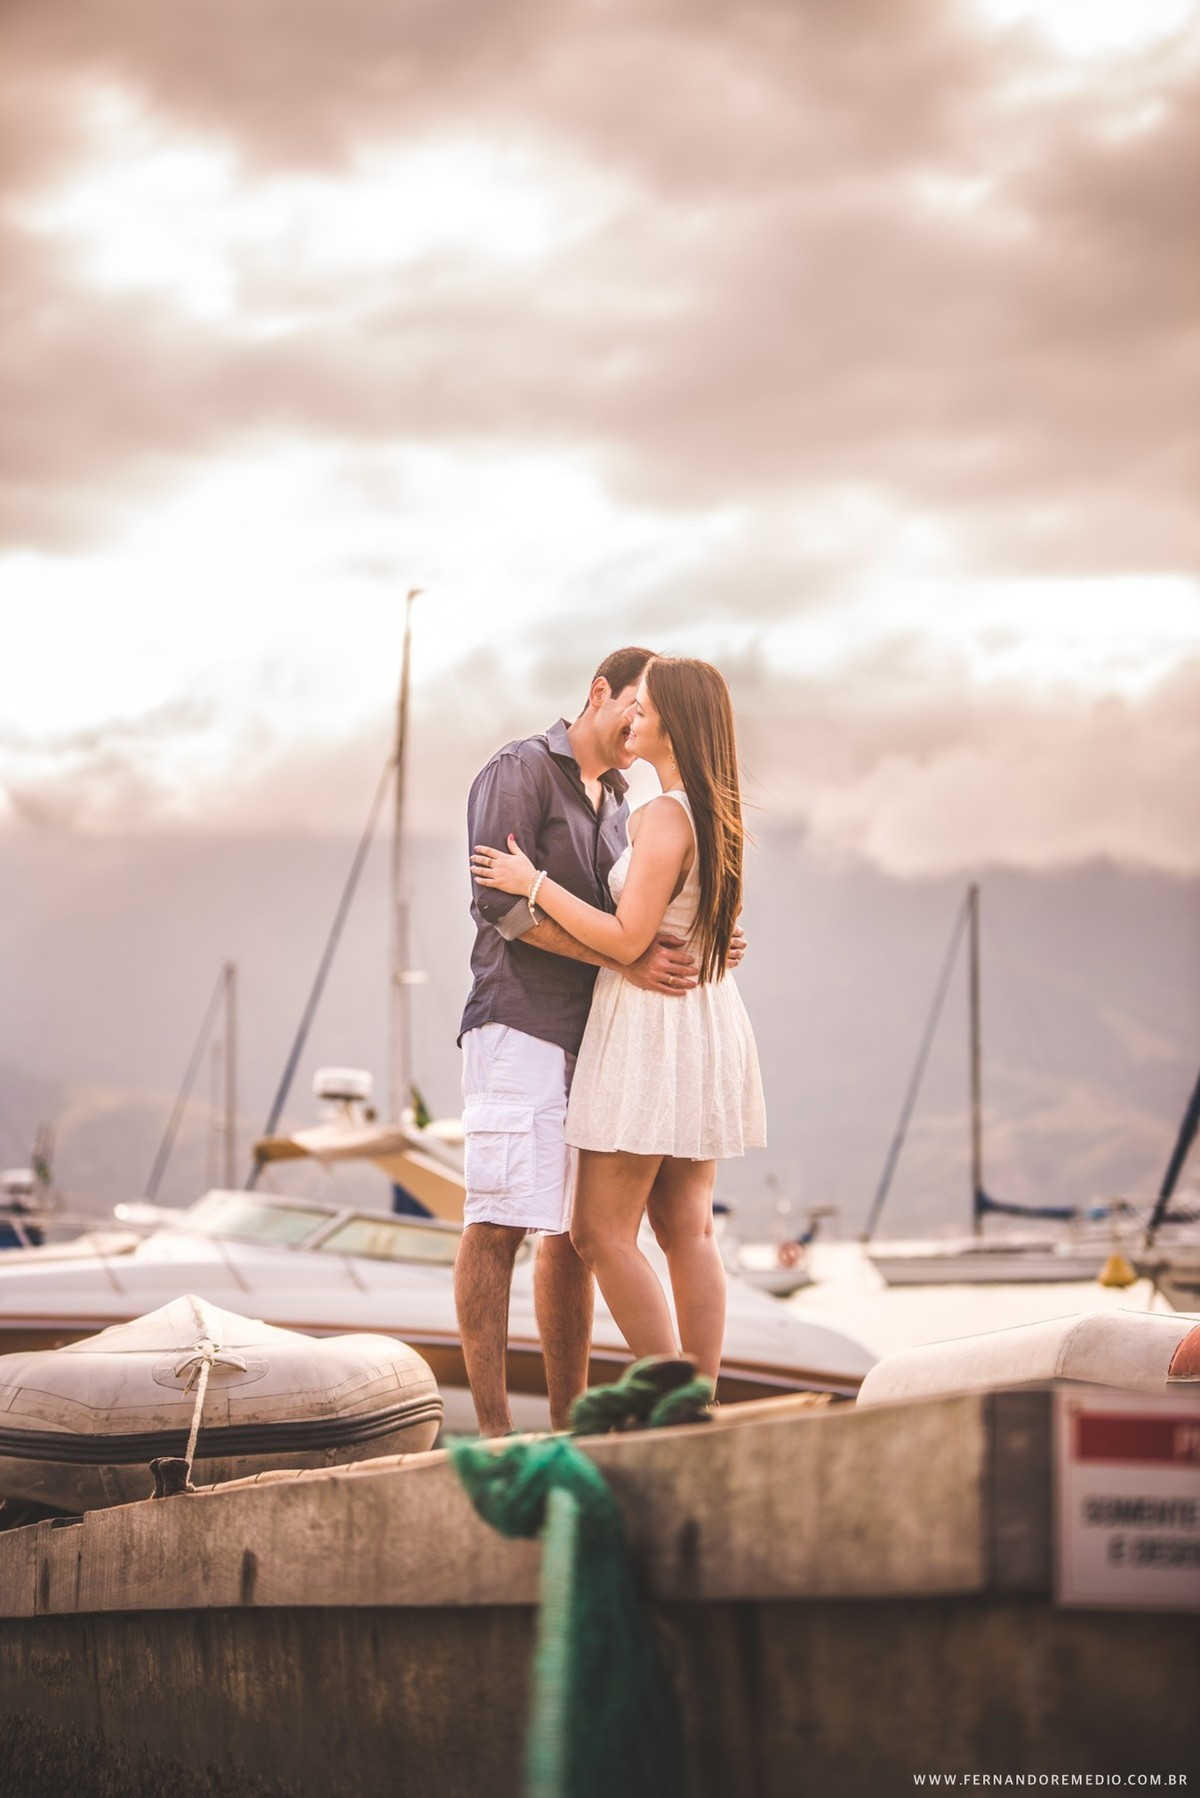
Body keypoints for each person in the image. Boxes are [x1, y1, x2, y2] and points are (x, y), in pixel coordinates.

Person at [471, 655, 765, 1391]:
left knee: (598, 1232)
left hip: (649, 1026)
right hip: (704, 1020)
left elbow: (630, 939)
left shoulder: (661, 813)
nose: (637, 717)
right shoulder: (715, 813)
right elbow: (696, 917)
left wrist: (534, 884)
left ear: (677, 721)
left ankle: (674, 1398)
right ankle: (699, 1398)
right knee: (687, 1229)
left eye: (648, 705)